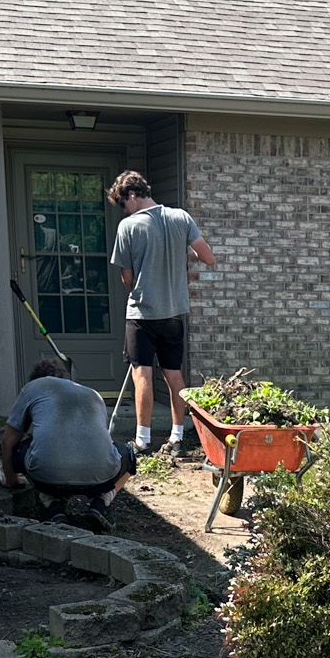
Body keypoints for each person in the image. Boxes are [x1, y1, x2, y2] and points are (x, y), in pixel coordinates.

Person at [107, 170, 215, 454]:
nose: (124, 209)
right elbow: (207, 257)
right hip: (173, 314)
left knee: (141, 374)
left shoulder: (128, 226)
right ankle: (177, 437)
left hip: (142, 314)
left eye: (122, 202)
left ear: (131, 195)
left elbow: (127, 278)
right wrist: (182, 251)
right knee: (174, 375)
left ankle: (142, 440)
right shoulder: (181, 217)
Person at [1, 360, 136, 533]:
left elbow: (7, 441)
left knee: (26, 448)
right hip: (101, 478)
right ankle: (101, 503)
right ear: (66, 379)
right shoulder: (93, 394)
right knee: (129, 455)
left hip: (47, 478)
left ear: (36, 378)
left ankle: (53, 506)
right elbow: (101, 441)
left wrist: (11, 480)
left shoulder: (32, 387)